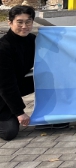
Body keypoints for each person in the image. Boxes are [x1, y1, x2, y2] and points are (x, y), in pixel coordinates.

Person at [2, 7, 46, 141]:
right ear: (10, 23)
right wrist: (19, 112)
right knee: (9, 132)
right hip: (3, 89)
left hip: (15, 85)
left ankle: (51, 113)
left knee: (48, 77)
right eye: (19, 22)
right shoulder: (3, 48)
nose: (24, 26)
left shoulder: (31, 40)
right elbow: (6, 85)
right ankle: (10, 110)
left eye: (28, 22)